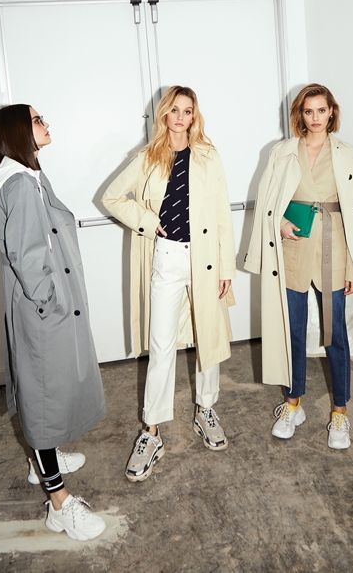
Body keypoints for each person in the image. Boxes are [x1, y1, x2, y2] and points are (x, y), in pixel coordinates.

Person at [0, 105, 106, 540]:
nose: (46, 124)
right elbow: (27, 256)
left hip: (47, 307)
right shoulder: (21, 185)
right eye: (38, 120)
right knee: (43, 398)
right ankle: (59, 502)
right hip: (43, 310)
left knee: (47, 391)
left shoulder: (29, 178)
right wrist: (50, 303)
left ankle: (42, 459)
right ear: (18, 132)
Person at [244, 84, 353, 449]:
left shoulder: (348, 154)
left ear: (331, 112)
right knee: (292, 331)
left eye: (321, 110)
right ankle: (293, 404)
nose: (315, 118)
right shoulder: (282, 151)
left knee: (335, 334)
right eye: (308, 111)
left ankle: (340, 412)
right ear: (300, 114)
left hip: (335, 249)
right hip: (294, 250)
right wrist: (278, 222)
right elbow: (268, 201)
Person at [102, 85, 236, 481]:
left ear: (195, 116)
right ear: (164, 114)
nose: (180, 117)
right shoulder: (147, 156)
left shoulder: (209, 156)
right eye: (174, 110)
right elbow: (112, 197)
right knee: (161, 346)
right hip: (167, 257)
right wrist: (147, 220)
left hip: (206, 259)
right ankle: (152, 430)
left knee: (208, 337)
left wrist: (226, 268)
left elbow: (223, 214)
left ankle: (205, 410)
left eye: (187, 111)